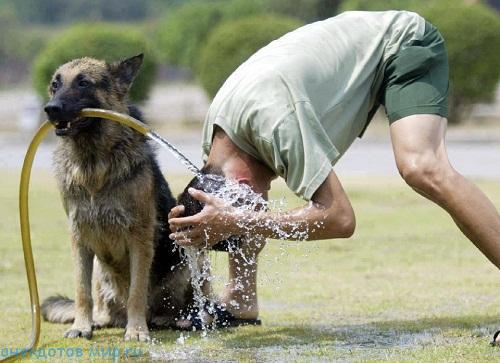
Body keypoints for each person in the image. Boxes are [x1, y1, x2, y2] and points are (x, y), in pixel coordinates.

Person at [167, 10, 500, 336]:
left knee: (421, 166)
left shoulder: (276, 123)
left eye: (245, 204)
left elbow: (340, 218)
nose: (257, 205)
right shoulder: (217, 146)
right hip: (357, 52)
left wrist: (238, 220)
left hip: (402, 42)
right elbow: (239, 207)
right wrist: (226, 221)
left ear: (240, 183)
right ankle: (241, 299)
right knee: (241, 210)